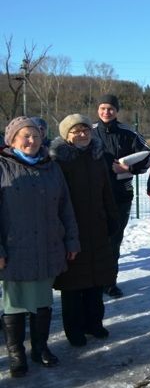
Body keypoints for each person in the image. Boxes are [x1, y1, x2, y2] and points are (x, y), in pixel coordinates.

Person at [0, 116, 80, 377]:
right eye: (25, 135)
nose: (32, 140)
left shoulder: (51, 167)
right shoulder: (3, 167)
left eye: (35, 135)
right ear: (12, 140)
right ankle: (16, 354)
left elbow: (66, 207)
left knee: (42, 301)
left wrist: (71, 239)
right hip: (14, 249)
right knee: (15, 304)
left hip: (47, 245)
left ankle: (40, 347)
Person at [50, 114, 118, 347]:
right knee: (73, 284)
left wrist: (111, 217)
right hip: (71, 230)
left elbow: (106, 191)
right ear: (66, 136)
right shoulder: (59, 161)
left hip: (97, 227)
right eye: (76, 131)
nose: (82, 135)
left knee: (96, 280)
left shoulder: (97, 157)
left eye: (86, 130)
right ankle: (74, 329)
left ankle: (94, 323)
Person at [92, 93, 150, 298]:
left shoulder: (128, 133)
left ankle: (109, 282)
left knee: (114, 240)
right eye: (102, 108)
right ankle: (93, 280)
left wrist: (130, 167)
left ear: (116, 111)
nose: (106, 112)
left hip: (121, 196)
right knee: (95, 240)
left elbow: (149, 155)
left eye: (110, 108)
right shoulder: (89, 133)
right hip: (94, 197)